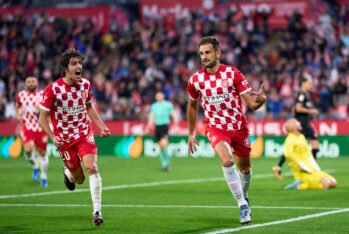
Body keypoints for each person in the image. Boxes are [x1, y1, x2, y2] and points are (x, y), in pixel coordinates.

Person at [187, 36, 266, 224]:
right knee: (227, 161)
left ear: (218, 53)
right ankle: (242, 205)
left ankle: (244, 195)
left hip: (238, 127)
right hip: (215, 127)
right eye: (201, 53)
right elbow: (192, 106)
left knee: (245, 169)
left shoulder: (233, 74)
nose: (204, 57)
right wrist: (191, 133)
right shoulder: (195, 80)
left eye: (207, 52)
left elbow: (252, 104)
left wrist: (262, 101)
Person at [38, 48, 111, 226]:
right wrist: (53, 137)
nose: (79, 66)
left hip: (84, 133)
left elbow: (89, 107)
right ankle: (68, 173)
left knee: (92, 167)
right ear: (65, 69)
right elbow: (42, 119)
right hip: (64, 139)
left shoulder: (85, 85)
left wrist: (101, 126)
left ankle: (97, 211)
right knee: (79, 179)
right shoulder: (53, 89)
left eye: (80, 63)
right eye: (74, 63)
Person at [272, 76, 320, 180]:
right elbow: (298, 108)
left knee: (311, 145)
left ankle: (279, 166)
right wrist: (311, 111)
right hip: (302, 124)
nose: (311, 85)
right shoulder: (302, 94)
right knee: (314, 145)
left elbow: (295, 108)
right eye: (309, 83)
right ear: (303, 83)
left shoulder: (305, 95)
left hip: (304, 123)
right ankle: (312, 169)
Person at [283, 118, 336, 190]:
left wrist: (313, 162)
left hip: (311, 168)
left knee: (333, 182)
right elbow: (288, 154)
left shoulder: (301, 137)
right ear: (293, 127)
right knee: (326, 184)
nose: (299, 123)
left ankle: (302, 184)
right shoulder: (290, 139)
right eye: (297, 123)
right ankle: (300, 185)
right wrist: (299, 164)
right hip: (303, 172)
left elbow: (307, 152)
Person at [16, 76, 49, 188]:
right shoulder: (21, 95)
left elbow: (49, 109)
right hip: (27, 125)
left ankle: (43, 177)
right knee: (28, 150)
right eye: (28, 82)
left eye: (33, 81)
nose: (31, 83)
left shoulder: (42, 94)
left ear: (36, 82)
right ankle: (35, 166)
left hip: (40, 126)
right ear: (26, 83)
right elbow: (18, 106)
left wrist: (41, 111)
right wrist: (18, 114)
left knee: (42, 153)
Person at [145, 91, 178, 171]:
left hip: (164, 127)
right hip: (157, 128)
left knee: (164, 144)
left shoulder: (168, 105)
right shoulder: (154, 106)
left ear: (163, 96)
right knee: (161, 147)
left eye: (160, 95)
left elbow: (173, 114)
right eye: (157, 96)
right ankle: (164, 164)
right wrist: (147, 127)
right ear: (156, 97)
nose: (159, 97)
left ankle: (167, 163)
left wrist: (176, 125)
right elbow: (152, 117)